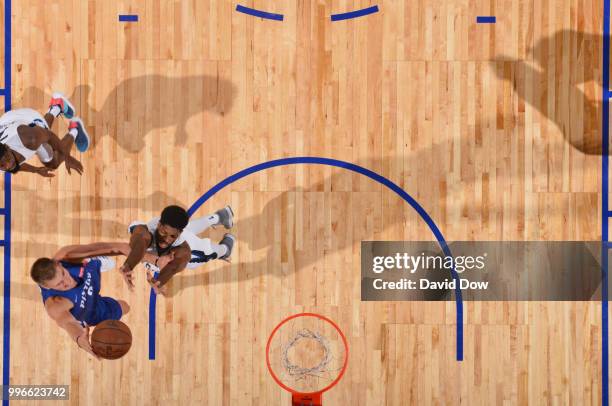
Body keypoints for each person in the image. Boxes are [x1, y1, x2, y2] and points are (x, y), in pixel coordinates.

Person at [31, 243, 130, 358]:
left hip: (91, 290)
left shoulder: (65, 255)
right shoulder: (55, 304)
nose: (67, 282)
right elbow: (68, 323)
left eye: (63, 274)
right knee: (124, 307)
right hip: (87, 313)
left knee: (125, 306)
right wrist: (79, 338)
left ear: (59, 265)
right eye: (59, 284)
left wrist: (127, 252)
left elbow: (105, 247)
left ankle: (94, 261)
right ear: (49, 287)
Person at [121, 205, 236, 295]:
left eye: (171, 237)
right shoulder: (145, 232)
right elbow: (139, 244)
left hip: (190, 244)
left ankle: (226, 249)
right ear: (159, 225)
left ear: (179, 233)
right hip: (176, 235)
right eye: (163, 233)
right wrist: (129, 266)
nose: (166, 240)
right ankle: (220, 216)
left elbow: (173, 267)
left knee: (208, 254)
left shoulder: (184, 249)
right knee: (189, 227)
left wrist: (159, 282)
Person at [0, 92, 90, 176]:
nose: (8, 165)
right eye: (2, 165)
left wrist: (67, 157)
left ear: (7, 147)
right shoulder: (4, 162)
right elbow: (13, 167)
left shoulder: (29, 139)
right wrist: (36, 170)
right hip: (7, 122)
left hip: (29, 119)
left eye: (8, 158)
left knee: (53, 163)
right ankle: (57, 105)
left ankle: (75, 127)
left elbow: (49, 136)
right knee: (40, 138)